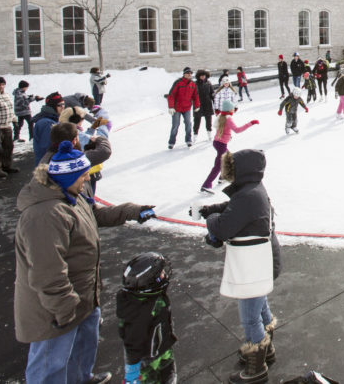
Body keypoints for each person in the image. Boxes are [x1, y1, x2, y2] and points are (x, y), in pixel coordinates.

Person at [15, 139, 154, 384]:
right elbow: (47, 272)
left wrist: (133, 210)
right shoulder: (45, 214)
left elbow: (95, 214)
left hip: (84, 295)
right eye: (83, 176)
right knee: (51, 364)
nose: (87, 180)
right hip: (57, 307)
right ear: (68, 178)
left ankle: (81, 378)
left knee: (82, 349)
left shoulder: (71, 195)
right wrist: (64, 307)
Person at [195, 149, 281, 384]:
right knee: (259, 303)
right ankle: (267, 348)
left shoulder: (248, 195)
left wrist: (209, 219)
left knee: (250, 317)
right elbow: (234, 206)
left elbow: (222, 228)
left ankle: (257, 366)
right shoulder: (252, 190)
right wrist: (213, 209)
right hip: (262, 262)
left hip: (253, 265)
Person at [117, 252, 176, 384]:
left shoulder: (151, 297)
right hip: (149, 359)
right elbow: (132, 343)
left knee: (169, 375)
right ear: (149, 282)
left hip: (163, 348)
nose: (164, 275)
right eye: (161, 273)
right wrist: (132, 369)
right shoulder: (139, 313)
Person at [201, 100, 259, 194]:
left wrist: (228, 136)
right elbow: (237, 130)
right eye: (232, 109)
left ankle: (222, 178)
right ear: (229, 110)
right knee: (218, 165)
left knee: (229, 158)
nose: (233, 110)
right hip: (221, 144)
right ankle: (206, 185)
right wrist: (250, 123)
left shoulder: (222, 116)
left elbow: (224, 130)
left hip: (218, 143)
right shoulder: (228, 118)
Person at [167, 68, 200, 149]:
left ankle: (188, 140)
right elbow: (171, 95)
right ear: (184, 74)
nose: (189, 74)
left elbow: (195, 96)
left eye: (190, 73)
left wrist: (197, 105)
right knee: (175, 125)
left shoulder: (193, 84)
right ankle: (171, 142)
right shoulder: (178, 82)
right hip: (176, 108)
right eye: (187, 73)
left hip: (187, 108)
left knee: (188, 123)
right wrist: (171, 107)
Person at [32, 92, 65, 165]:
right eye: (60, 105)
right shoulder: (47, 124)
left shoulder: (53, 119)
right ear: (52, 106)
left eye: (63, 104)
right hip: (48, 164)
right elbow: (48, 147)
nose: (63, 107)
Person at [193, 70, 215, 142]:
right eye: (201, 75)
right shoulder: (195, 84)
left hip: (207, 104)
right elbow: (192, 94)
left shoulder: (208, 83)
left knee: (209, 120)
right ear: (198, 76)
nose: (203, 77)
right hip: (198, 104)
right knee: (197, 120)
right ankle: (195, 135)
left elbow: (212, 93)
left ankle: (209, 134)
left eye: (204, 75)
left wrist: (215, 101)